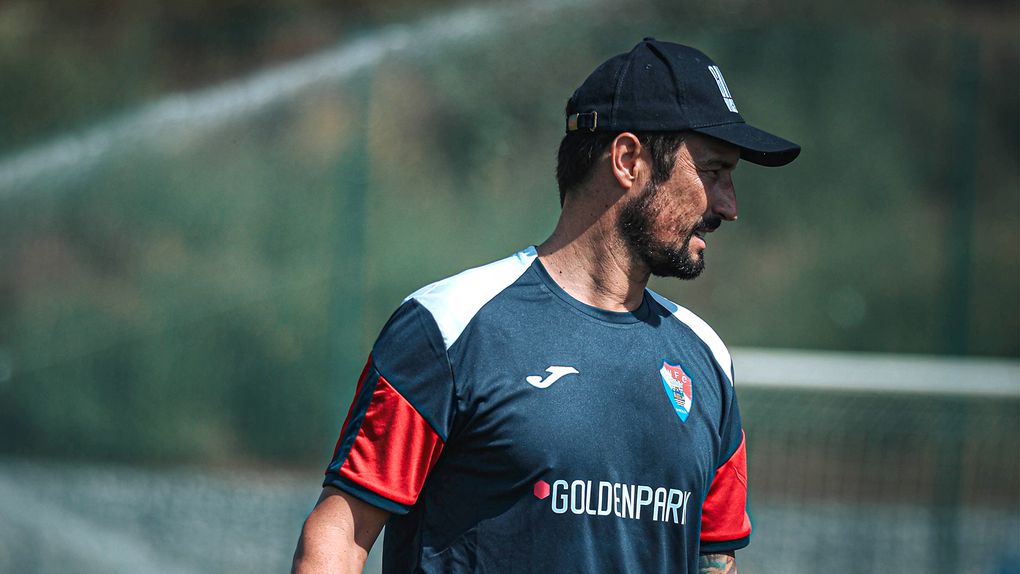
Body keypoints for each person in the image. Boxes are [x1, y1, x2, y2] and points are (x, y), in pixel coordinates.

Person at [292, 38, 800, 574]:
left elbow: (714, 556)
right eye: (713, 172)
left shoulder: (707, 358)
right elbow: (340, 535)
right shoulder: (448, 328)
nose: (729, 205)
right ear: (628, 160)